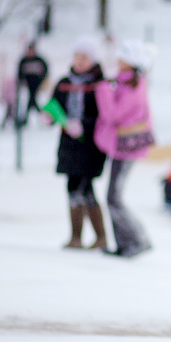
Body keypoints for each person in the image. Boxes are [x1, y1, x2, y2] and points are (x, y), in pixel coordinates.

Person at [94, 40, 156, 258]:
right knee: (112, 197)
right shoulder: (125, 83)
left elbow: (113, 115)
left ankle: (137, 239)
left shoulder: (133, 87)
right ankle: (125, 243)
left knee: (113, 198)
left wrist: (102, 90)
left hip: (126, 149)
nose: (118, 61)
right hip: (122, 147)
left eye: (123, 58)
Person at [49, 38, 108, 250]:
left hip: (91, 146)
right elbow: (53, 105)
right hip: (68, 145)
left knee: (85, 187)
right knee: (73, 187)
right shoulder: (64, 83)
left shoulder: (100, 84)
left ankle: (100, 237)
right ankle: (76, 237)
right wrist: (50, 116)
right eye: (77, 56)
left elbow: (106, 115)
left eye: (84, 57)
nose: (79, 61)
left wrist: (84, 125)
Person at [17, 42, 49, 126]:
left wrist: (43, 80)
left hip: (37, 83)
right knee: (32, 100)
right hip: (28, 83)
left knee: (32, 99)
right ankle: (42, 117)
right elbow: (19, 72)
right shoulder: (24, 60)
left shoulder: (39, 60)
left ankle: (28, 118)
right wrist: (21, 81)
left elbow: (45, 70)